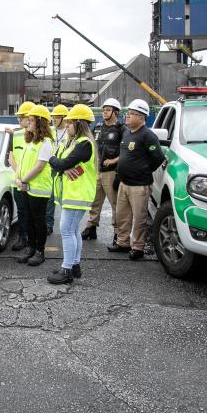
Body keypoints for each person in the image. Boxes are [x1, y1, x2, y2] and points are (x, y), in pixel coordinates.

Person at [47, 104, 98, 284]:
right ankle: (74, 266)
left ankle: (66, 270)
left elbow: (61, 163)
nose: (66, 125)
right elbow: (63, 165)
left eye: (69, 122)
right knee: (73, 231)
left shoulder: (84, 144)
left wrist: (52, 160)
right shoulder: (77, 142)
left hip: (78, 195)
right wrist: (61, 165)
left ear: (79, 123)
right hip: (75, 195)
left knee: (66, 231)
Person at [109, 99, 165, 259]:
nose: (127, 116)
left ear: (141, 117)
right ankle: (122, 243)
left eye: (132, 114)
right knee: (122, 216)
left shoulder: (148, 136)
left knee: (139, 218)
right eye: (128, 113)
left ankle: (138, 247)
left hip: (139, 185)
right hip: (124, 183)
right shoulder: (126, 132)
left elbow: (158, 157)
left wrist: (143, 170)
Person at [13, 104, 54, 267]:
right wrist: (18, 179)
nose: (28, 123)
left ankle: (39, 251)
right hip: (26, 187)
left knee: (39, 221)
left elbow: (39, 167)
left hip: (38, 188)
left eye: (31, 120)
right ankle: (30, 248)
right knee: (29, 220)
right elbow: (21, 164)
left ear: (40, 122)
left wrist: (23, 181)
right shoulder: (30, 141)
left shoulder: (46, 142)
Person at [82, 98, 124, 242]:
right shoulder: (98, 127)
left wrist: (114, 160)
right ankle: (91, 228)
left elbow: (126, 152)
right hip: (96, 171)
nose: (104, 112)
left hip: (111, 172)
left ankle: (118, 233)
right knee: (95, 202)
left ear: (115, 112)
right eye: (104, 109)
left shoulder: (122, 130)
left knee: (115, 204)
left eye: (108, 109)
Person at [9, 101, 35, 252]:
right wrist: (19, 178)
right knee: (21, 211)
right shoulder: (17, 134)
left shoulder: (39, 138)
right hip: (18, 182)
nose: (19, 120)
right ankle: (22, 238)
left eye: (22, 117)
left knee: (33, 213)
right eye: (18, 117)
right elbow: (11, 157)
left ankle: (34, 241)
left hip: (33, 182)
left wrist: (26, 178)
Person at [45, 104, 70, 236]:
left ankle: (67, 225)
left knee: (64, 197)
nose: (53, 119)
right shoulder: (50, 131)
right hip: (51, 168)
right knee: (50, 199)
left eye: (56, 117)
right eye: (53, 117)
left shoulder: (69, 132)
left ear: (64, 118)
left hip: (63, 169)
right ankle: (48, 225)